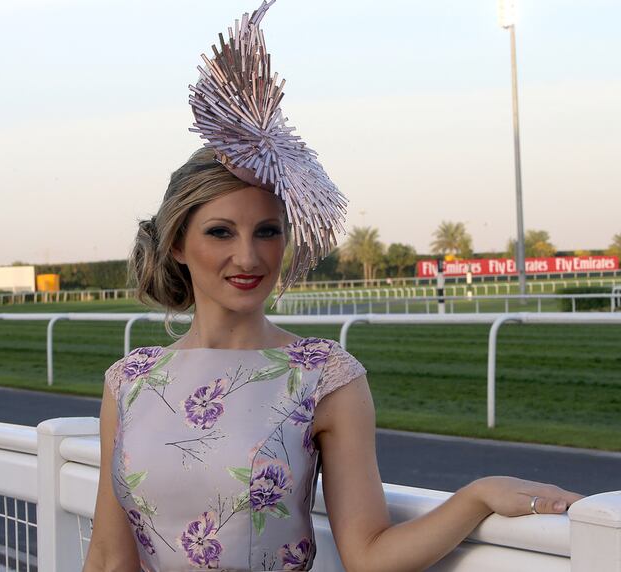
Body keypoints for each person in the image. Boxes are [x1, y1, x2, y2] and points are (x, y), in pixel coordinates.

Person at [84, 3, 582, 570]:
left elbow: (369, 553)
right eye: (221, 232)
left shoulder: (323, 374)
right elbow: (106, 555)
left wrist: (475, 496)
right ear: (177, 243)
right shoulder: (130, 382)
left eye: (267, 232)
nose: (247, 256)